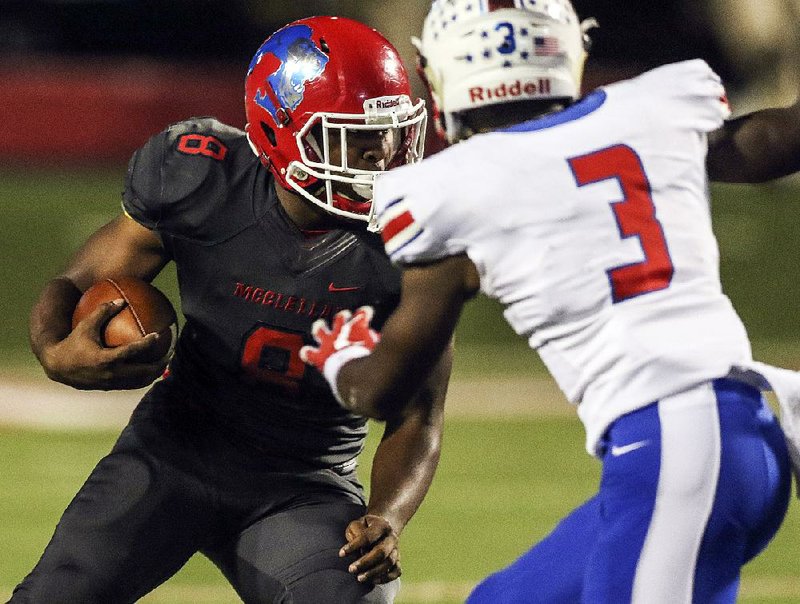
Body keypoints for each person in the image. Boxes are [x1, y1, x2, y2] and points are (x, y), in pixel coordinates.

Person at [300, 1, 800, 602]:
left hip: (678, 452)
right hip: (724, 441)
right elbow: (775, 139)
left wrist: (340, 355)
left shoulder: (456, 189)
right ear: (567, 51)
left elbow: (381, 391)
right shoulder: (643, 115)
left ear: (444, 75)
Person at [14, 16, 450, 604]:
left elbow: (418, 417)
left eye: (392, 135)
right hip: (172, 453)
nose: (383, 158)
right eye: (354, 139)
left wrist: (389, 515)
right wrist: (53, 349)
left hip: (305, 484)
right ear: (280, 132)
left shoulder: (418, 240)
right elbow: (78, 280)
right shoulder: (200, 174)